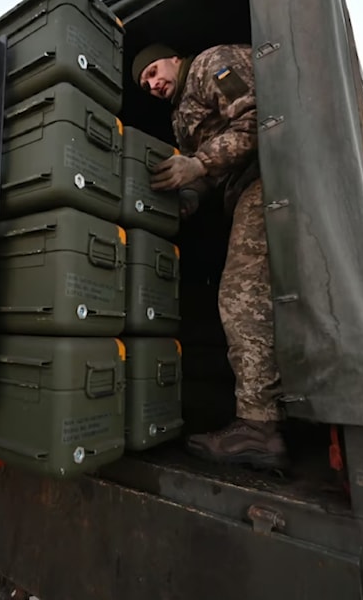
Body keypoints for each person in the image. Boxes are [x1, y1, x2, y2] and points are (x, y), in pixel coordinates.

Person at [131, 42, 287, 471]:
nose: (153, 83)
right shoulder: (180, 119)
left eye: (154, 71)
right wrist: (190, 198)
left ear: (173, 59)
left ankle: (259, 428)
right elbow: (205, 176)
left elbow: (260, 118)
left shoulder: (209, 65)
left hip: (270, 175)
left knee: (240, 296)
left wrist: (197, 164)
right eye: (145, 83)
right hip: (241, 191)